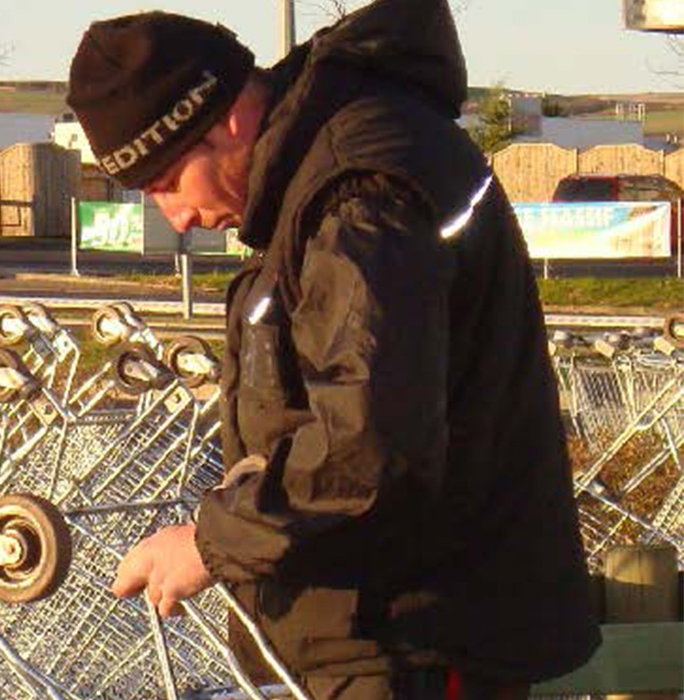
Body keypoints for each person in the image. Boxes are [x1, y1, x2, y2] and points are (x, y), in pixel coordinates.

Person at [66, 1, 600, 698]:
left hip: (413, 637)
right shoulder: (334, 173)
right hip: (388, 634)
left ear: (226, 120)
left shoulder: (358, 194)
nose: (179, 218)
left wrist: (210, 542)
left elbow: (369, 445)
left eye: (168, 182)